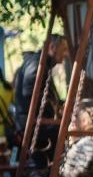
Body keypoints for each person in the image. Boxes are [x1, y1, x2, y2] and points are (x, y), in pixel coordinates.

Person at [12, 34, 68, 165]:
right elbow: (31, 97)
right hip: (33, 126)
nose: (66, 54)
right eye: (63, 50)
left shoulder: (39, 64)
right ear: (52, 47)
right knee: (67, 130)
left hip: (31, 123)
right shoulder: (37, 65)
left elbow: (45, 96)